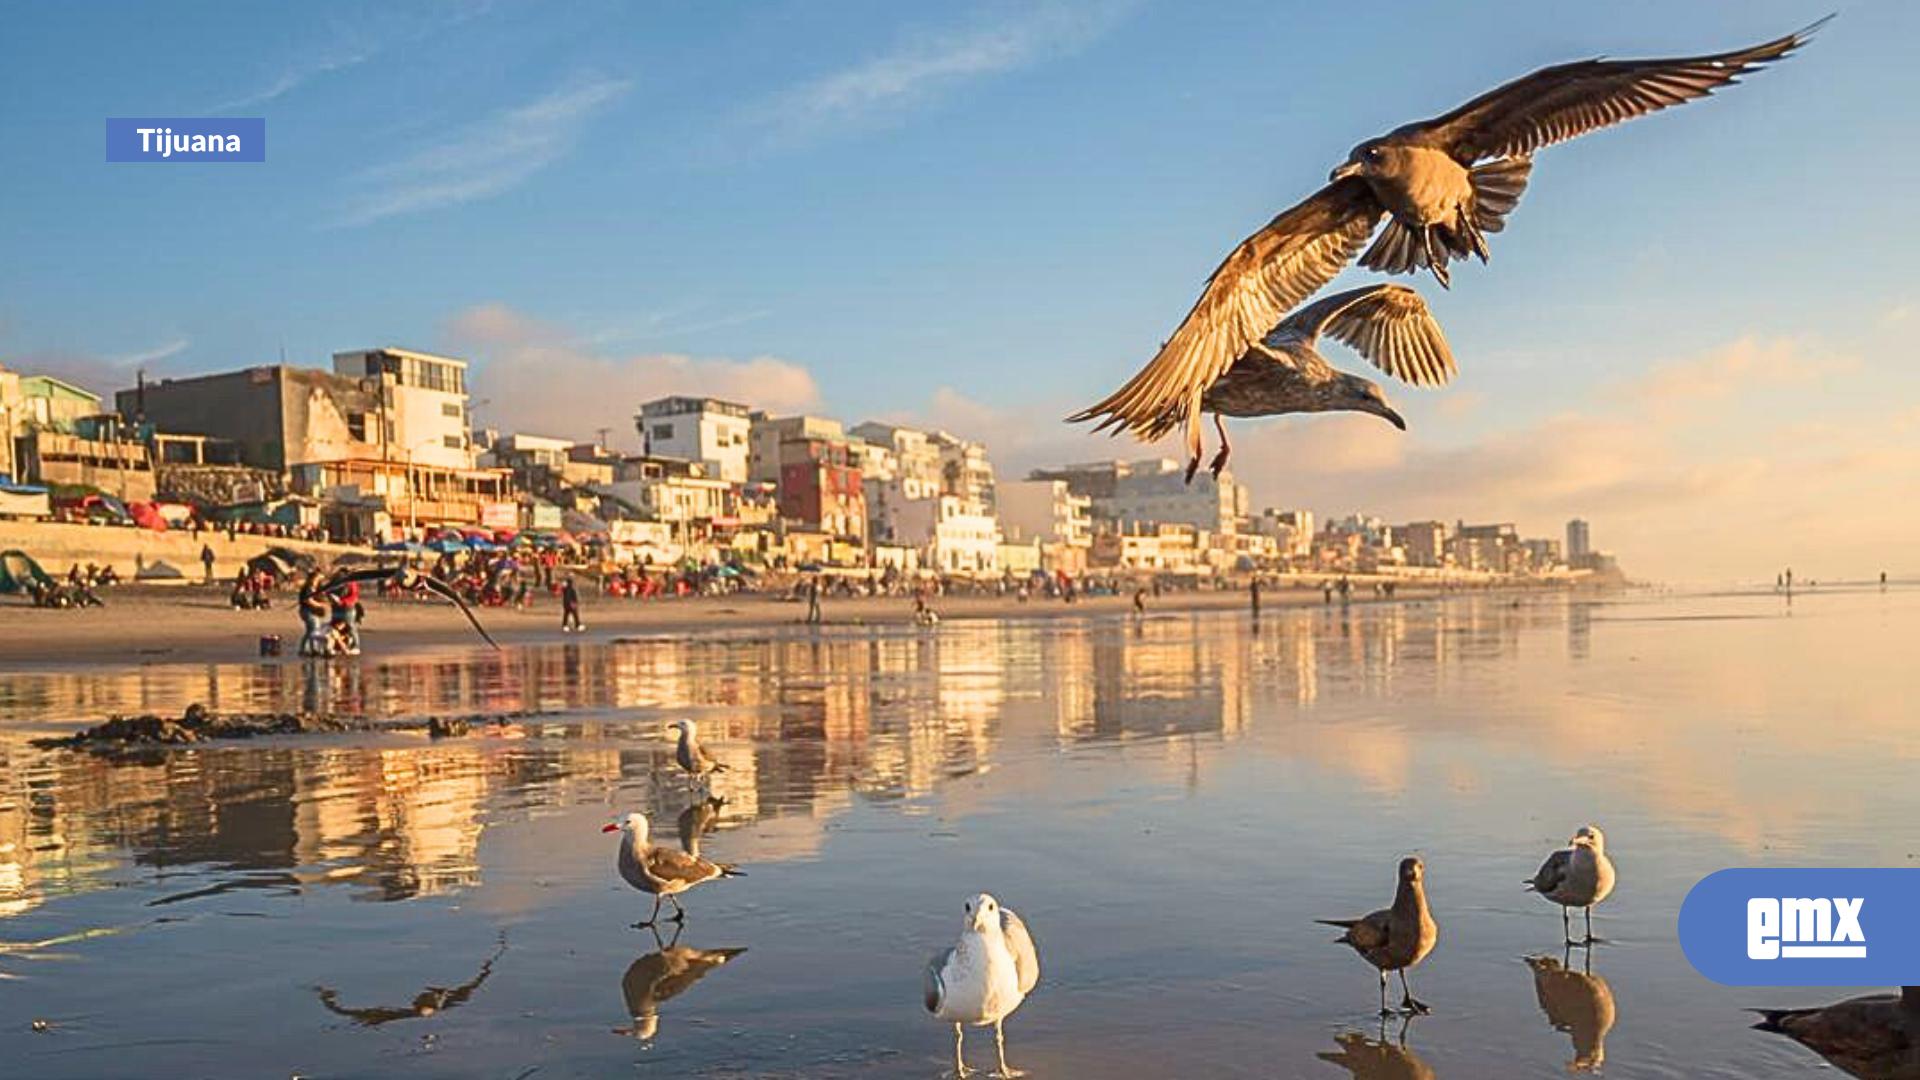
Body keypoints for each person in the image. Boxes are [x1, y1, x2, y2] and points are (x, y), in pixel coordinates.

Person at [297, 571, 330, 656]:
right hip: (308, 611)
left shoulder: (314, 587)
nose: (319, 580)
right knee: (314, 630)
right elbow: (309, 600)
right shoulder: (310, 587)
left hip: (307, 611)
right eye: (317, 578)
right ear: (313, 578)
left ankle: (303, 649)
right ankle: (313, 649)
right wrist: (320, 605)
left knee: (309, 631)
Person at [330, 579, 362, 656]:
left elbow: (354, 597)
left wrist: (341, 601)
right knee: (336, 628)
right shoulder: (336, 582)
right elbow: (329, 592)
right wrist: (331, 597)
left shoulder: (352, 583)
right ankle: (338, 647)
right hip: (336, 609)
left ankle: (356, 646)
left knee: (350, 627)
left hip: (348, 610)